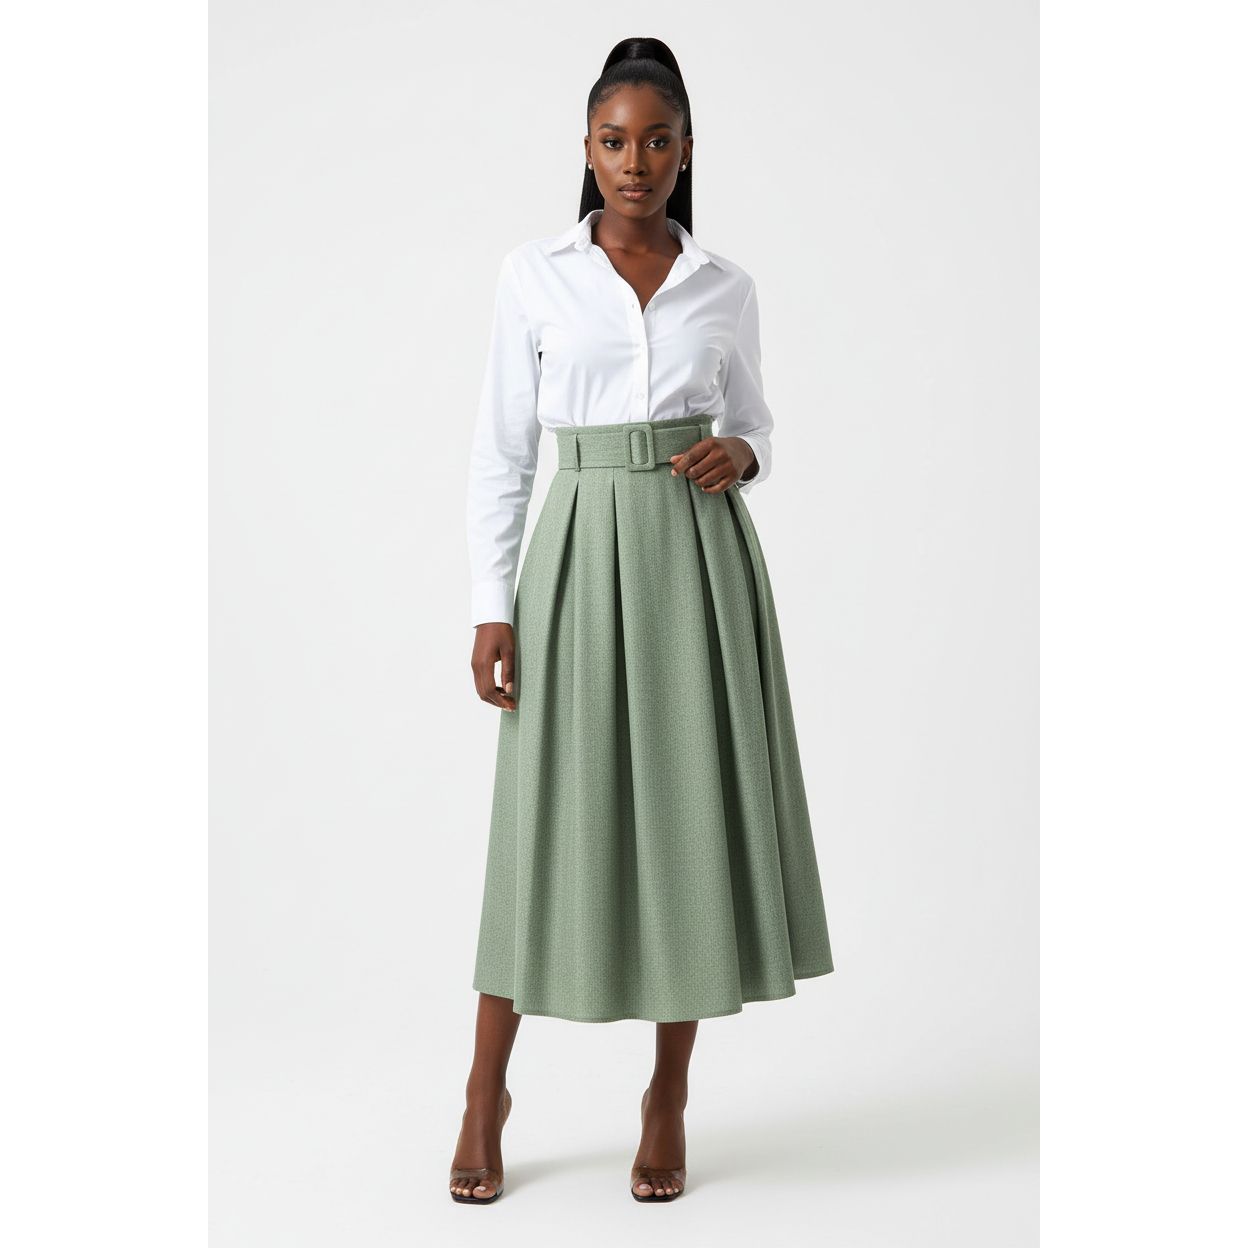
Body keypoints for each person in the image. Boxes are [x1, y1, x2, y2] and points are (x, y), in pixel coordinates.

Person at [454, 36, 835, 1205]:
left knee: (688, 818)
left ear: (686, 151)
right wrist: (491, 607)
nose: (635, 162)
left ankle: (667, 1097)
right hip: (576, 554)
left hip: (695, 559)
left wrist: (743, 454)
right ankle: (483, 1092)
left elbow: (755, 420)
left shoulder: (725, 284)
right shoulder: (535, 274)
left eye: (656, 141)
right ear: (586, 147)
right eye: (614, 141)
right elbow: (503, 452)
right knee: (541, 822)